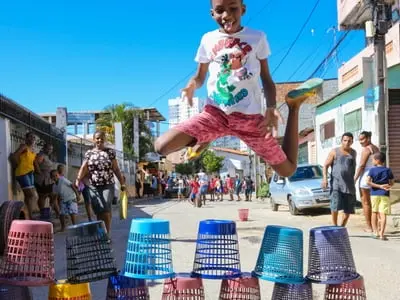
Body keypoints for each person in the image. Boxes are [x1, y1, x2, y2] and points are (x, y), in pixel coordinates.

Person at [154, 0, 323, 179]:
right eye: (220, 10)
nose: (226, 15)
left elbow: (266, 78)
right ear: (212, 14)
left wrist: (271, 107)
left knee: (287, 170)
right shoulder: (208, 39)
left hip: (249, 119)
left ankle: (293, 106)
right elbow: (200, 76)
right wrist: (190, 86)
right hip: (215, 114)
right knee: (161, 146)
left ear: (243, 9)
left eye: (233, 8)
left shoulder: (257, 38)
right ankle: (205, 138)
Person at [75, 130, 125, 234]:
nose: (100, 140)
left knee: (105, 209)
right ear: (94, 140)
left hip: (108, 184)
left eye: (102, 137)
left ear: (105, 139)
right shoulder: (89, 153)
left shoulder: (110, 152)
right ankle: (101, 231)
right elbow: (84, 167)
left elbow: (116, 169)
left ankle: (106, 235)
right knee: (99, 210)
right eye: (97, 138)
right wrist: (78, 179)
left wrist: (122, 183)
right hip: (93, 186)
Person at [322, 132, 357, 227]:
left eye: (349, 141)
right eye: (345, 140)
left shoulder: (353, 153)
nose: (347, 142)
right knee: (335, 206)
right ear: (341, 141)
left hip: (349, 185)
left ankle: (341, 227)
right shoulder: (334, 151)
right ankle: (334, 226)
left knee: (348, 209)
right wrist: (324, 179)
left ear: (352, 142)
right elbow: (325, 165)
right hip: (336, 184)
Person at [354, 131, 379, 232]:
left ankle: (369, 227)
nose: (360, 142)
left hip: (366, 177)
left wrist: (355, 179)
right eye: (359, 139)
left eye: (362, 139)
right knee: (375, 203)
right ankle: (376, 226)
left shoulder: (366, 149)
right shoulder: (376, 148)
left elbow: (361, 165)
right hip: (376, 176)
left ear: (368, 138)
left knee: (365, 202)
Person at [12, 132, 40, 220]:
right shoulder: (23, 146)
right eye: (30, 137)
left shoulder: (33, 149)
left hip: (30, 173)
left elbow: (33, 162)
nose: (32, 139)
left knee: (29, 196)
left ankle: (27, 215)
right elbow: (14, 156)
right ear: (26, 138)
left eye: (34, 138)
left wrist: (38, 170)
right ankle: (29, 216)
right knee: (31, 195)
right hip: (22, 173)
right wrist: (18, 165)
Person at [367, 152, 394, 240]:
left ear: (377, 160)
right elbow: (392, 182)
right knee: (383, 214)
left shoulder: (372, 170)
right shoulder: (388, 170)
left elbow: (368, 182)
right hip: (384, 194)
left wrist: (378, 186)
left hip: (374, 194)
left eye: (373, 159)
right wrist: (387, 186)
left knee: (374, 212)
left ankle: (375, 233)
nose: (372, 161)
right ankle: (382, 234)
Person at [35, 143, 59, 217]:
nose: (49, 150)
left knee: (53, 196)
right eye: (48, 148)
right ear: (44, 148)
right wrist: (39, 171)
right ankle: (44, 213)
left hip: (49, 180)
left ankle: (57, 213)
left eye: (51, 149)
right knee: (43, 196)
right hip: (42, 180)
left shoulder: (47, 156)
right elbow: (35, 163)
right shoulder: (41, 155)